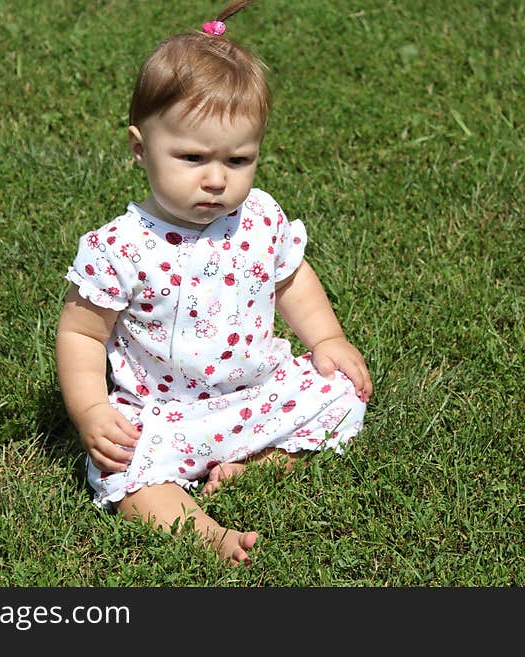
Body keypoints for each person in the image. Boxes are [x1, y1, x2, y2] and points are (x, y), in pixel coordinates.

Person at [55, 0, 372, 564]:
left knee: (341, 396)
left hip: (255, 394)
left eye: (239, 159)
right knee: (123, 468)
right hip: (160, 413)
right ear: (139, 147)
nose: (217, 180)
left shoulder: (259, 219)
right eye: (193, 157)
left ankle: (256, 462)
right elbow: (81, 334)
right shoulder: (121, 248)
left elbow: (291, 281)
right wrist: (90, 412)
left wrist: (327, 341)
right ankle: (204, 532)